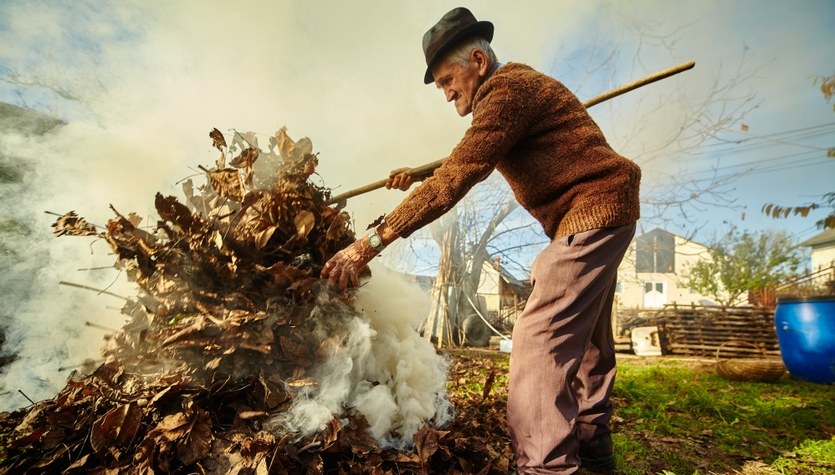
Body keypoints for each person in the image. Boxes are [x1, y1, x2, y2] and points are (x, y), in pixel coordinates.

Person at [321, 7, 640, 474]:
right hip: (609, 210)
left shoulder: (507, 91)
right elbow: (461, 158)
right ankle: (595, 455)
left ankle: (545, 467)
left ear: (478, 61)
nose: (446, 93)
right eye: (440, 86)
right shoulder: (511, 95)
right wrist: (415, 174)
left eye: (449, 79)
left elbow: (458, 176)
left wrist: (371, 240)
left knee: (539, 341)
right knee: (589, 344)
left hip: (591, 212)